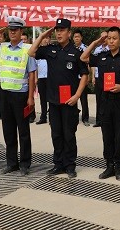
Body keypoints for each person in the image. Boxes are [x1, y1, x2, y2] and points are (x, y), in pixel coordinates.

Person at [29, 19, 90, 178]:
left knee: (69, 134)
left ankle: (70, 165)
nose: (59, 33)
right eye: (57, 30)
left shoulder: (76, 53)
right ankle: (58, 164)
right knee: (56, 133)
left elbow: (85, 75)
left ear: (69, 33)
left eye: (62, 30)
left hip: (69, 101)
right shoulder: (51, 49)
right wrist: (43, 34)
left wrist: (77, 95)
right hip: (54, 100)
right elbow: (31, 52)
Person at [0, 16, 37, 175]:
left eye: (15, 30)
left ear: (21, 31)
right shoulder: (1, 47)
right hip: (5, 95)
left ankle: (25, 163)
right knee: (8, 130)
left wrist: (31, 97)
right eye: (10, 30)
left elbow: (32, 74)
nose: (12, 32)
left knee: (23, 132)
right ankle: (12, 163)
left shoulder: (27, 49)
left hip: (21, 95)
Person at [81, 27, 120, 180]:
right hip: (104, 102)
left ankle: (118, 167)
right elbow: (83, 57)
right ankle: (109, 166)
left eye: (114, 38)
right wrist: (96, 42)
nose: (111, 41)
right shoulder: (101, 56)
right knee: (107, 135)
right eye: (109, 38)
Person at [73, 29, 90, 126]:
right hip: (73, 77)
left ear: (81, 38)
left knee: (84, 99)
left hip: (82, 77)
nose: (76, 39)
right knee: (73, 98)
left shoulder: (85, 48)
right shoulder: (71, 48)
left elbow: (88, 63)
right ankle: (74, 117)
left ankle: (85, 118)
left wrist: (88, 77)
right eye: (75, 37)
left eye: (78, 37)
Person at [90, 38, 109, 127]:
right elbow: (93, 65)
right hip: (98, 78)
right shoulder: (97, 50)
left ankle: (106, 120)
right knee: (99, 99)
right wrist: (93, 76)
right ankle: (98, 120)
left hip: (108, 79)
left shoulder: (110, 49)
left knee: (107, 100)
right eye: (102, 38)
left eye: (106, 38)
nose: (104, 40)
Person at [35, 36, 49, 125]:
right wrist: (36, 78)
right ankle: (43, 116)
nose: (46, 40)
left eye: (47, 38)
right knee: (43, 99)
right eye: (44, 38)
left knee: (51, 98)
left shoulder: (52, 51)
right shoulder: (38, 51)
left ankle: (53, 117)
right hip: (41, 78)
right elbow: (35, 67)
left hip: (50, 78)